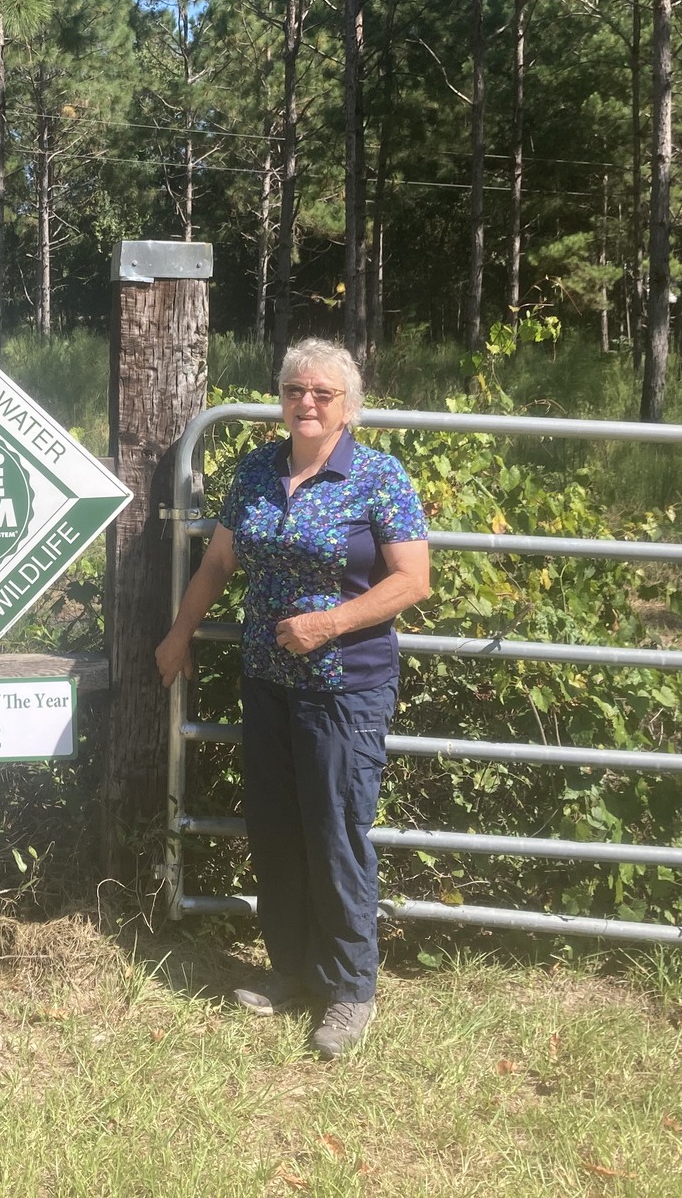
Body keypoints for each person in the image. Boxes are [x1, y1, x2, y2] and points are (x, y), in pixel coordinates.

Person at [155, 338, 431, 1060]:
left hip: (345, 689)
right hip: (267, 683)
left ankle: (348, 992)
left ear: (348, 407)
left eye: (322, 393)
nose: (306, 403)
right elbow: (219, 561)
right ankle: (291, 972)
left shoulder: (378, 477)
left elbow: (412, 581)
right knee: (276, 830)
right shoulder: (254, 471)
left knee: (336, 835)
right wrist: (180, 634)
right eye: (293, 390)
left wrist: (331, 623)